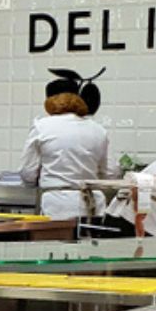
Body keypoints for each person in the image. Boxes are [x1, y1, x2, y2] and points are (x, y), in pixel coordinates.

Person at [18, 68, 112, 221]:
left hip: (57, 205)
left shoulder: (42, 127)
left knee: (58, 237)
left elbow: (27, 172)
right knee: (90, 236)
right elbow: (111, 173)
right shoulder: (98, 130)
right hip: (92, 204)